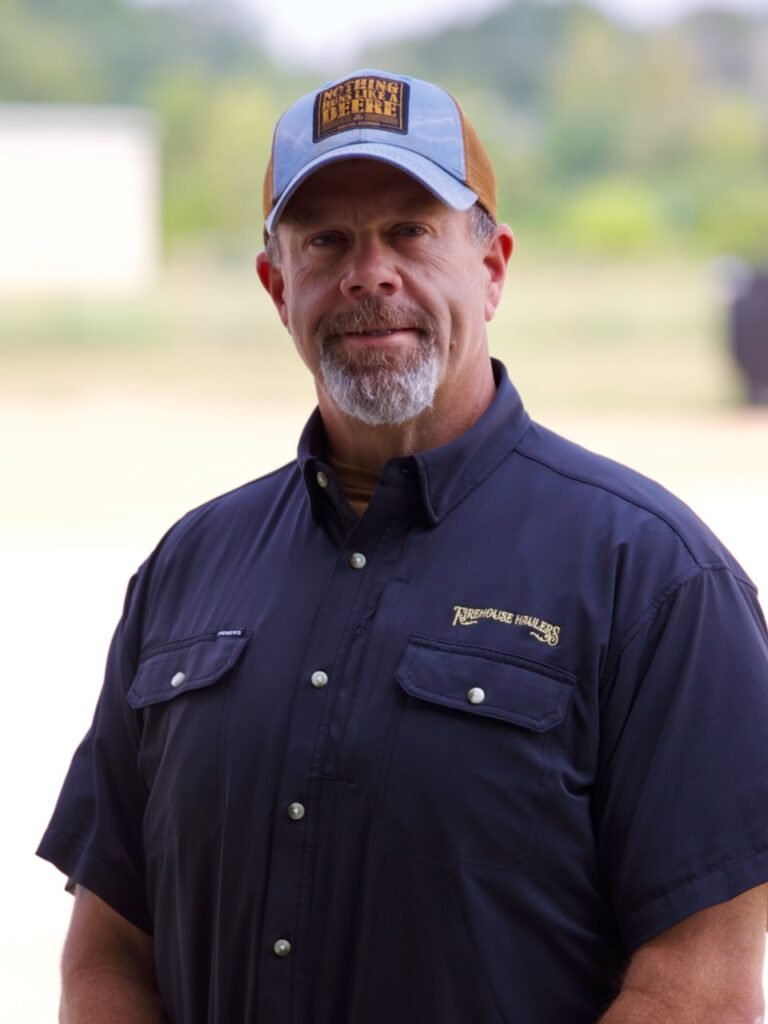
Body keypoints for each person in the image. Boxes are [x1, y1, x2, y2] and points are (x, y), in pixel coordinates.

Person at [38, 68, 768, 1024]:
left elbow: (701, 985)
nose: (368, 273)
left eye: (410, 232)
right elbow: (107, 954)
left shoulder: (656, 578)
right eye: (327, 240)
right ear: (276, 284)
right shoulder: (187, 569)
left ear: (494, 265)